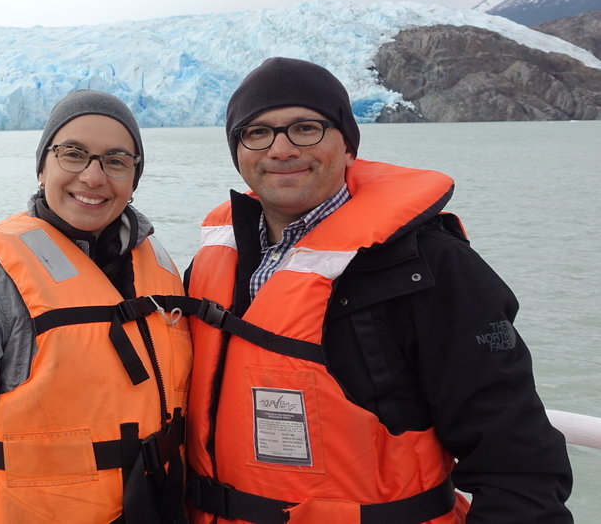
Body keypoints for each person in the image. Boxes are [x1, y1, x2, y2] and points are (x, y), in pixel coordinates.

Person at [182, 57, 573, 523]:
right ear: (238, 151)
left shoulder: (427, 266)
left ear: (347, 145)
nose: (281, 149)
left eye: (306, 128)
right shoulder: (209, 265)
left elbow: (516, 456)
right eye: (257, 132)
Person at [0, 89, 193, 524]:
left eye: (116, 161)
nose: (93, 177)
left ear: (134, 178)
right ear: (43, 166)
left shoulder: (157, 261)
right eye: (73, 154)